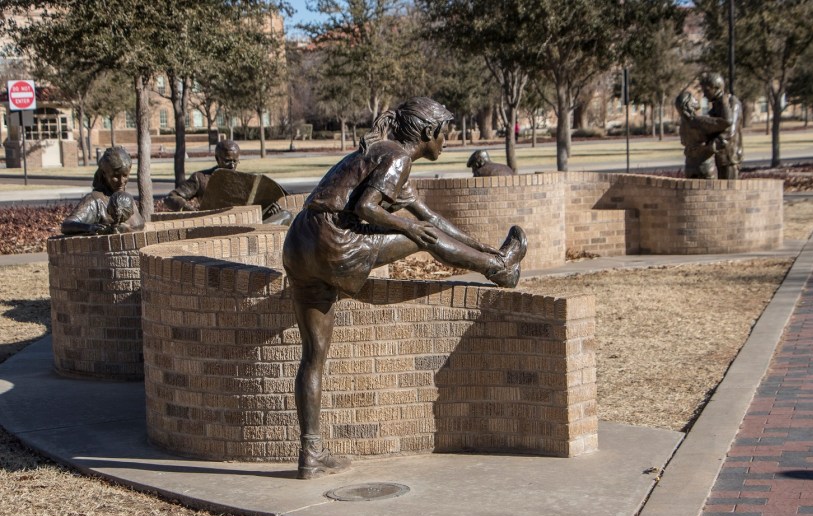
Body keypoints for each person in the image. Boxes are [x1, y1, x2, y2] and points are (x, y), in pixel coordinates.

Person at [282, 97, 527, 479]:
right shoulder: (398, 157)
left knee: (313, 356)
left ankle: (310, 453)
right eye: (446, 131)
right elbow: (368, 209)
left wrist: (482, 245)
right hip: (333, 242)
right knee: (420, 235)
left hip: (299, 245)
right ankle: (500, 270)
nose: (449, 139)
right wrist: (407, 228)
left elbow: (432, 218)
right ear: (429, 132)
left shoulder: (383, 156)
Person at [163, 139, 291, 224]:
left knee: (286, 217)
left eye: (235, 161)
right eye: (228, 161)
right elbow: (170, 198)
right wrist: (193, 213)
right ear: (217, 158)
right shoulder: (200, 178)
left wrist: (267, 212)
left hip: (240, 226)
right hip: (212, 226)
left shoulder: (245, 181)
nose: (232, 165)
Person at [61, 146, 145, 236]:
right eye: (115, 176)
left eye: (125, 175)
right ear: (104, 174)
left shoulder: (127, 198)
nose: (121, 181)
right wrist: (90, 228)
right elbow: (66, 225)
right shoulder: (94, 200)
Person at [698, 72, 743, 180]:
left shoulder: (732, 102)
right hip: (720, 155)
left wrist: (710, 145)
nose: (704, 95)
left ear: (716, 88)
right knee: (722, 190)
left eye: (707, 90)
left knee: (730, 190)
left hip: (731, 156)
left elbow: (729, 131)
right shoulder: (716, 104)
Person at [675, 91, 727, 179]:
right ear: (688, 104)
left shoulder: (682, 127)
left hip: (689, 166)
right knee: (709, 192)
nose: (696, 100)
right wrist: (725, 104)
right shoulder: (700, 122)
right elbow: (725, 123)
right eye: (693, 99)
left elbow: (683, 142)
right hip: (705, 166)